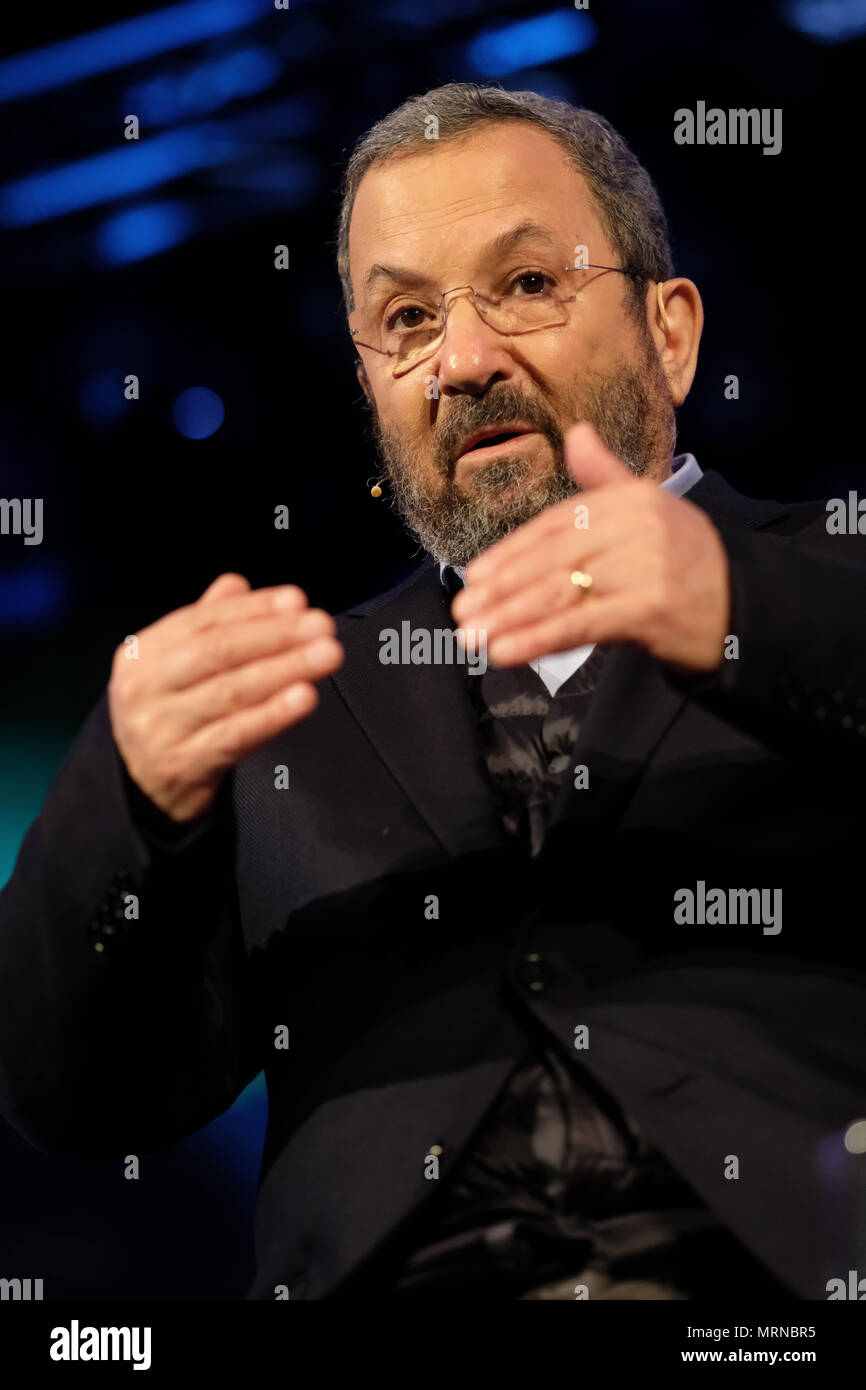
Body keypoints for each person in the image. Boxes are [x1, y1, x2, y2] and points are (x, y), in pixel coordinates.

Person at [1, 82, 864, 1301]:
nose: (461, 362)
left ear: (669, 331)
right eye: (405, 317)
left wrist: (739, 612)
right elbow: (75, 1098)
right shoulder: (287, 702)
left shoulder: (824, 579)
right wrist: (125, 797)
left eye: (524, 285)